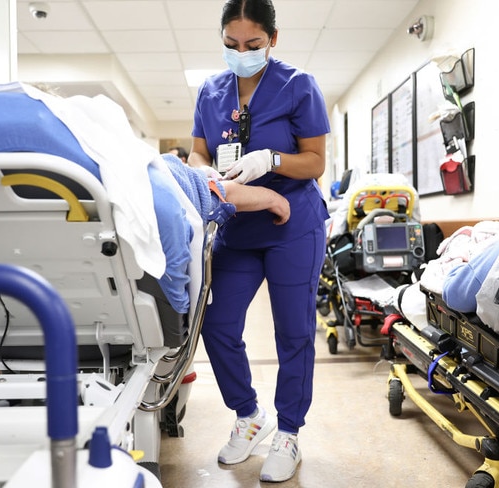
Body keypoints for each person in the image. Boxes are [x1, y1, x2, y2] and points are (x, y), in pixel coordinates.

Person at [187, 0, 330, 482]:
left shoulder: (298, 85)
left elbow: (314, 162)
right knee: (217, 323)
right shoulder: (210, 90)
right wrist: (200, 170)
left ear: (272, 38)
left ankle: (288, 431)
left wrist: (271, 159)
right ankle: (249, 415)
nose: (241, 52)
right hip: (237, 223)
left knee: (294, 332)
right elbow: (198, 149)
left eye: (252, 44)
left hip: (294, 225)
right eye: (231, 45)